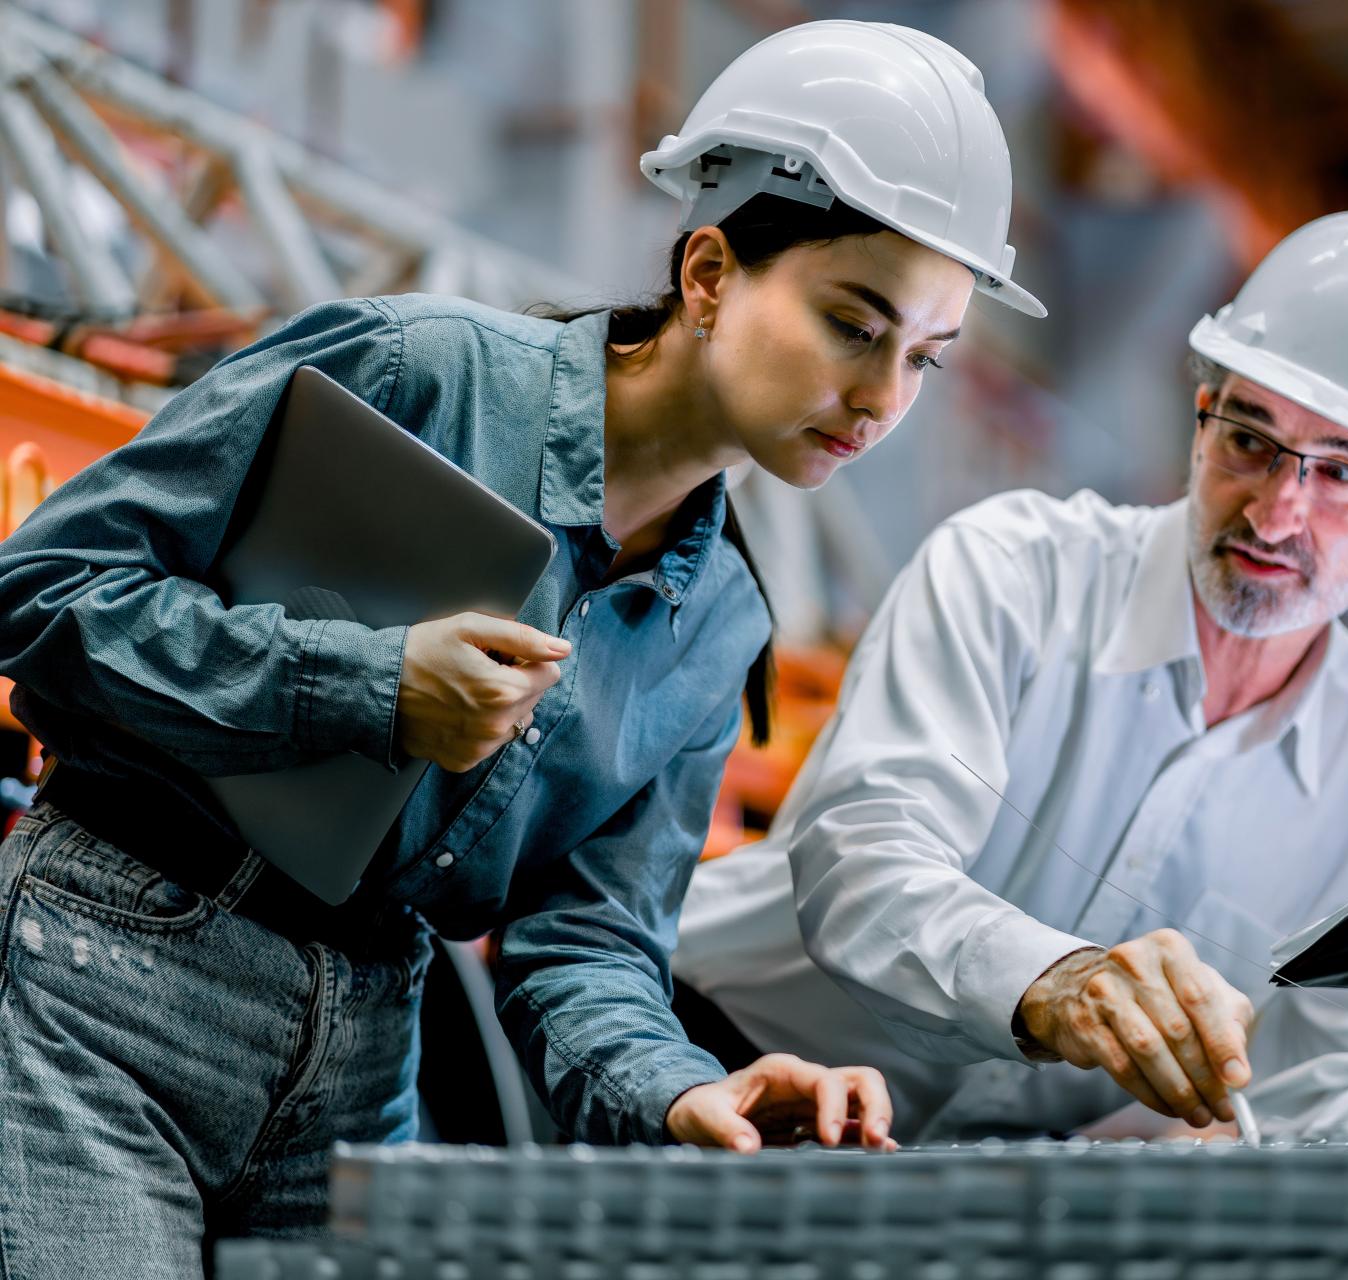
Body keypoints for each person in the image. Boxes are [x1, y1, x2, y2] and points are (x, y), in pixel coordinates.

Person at [0, 19, 1043, 1278]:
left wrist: (680, 1090)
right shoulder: (415, 370)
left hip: (359, 1072)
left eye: (925, 358)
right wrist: (369, 685)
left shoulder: (717, 627)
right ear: (710, 271)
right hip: (108, 989)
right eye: (853, 324)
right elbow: (44, 586)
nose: (883, 401)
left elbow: (587, 943)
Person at [673, 210, 1348, 1142]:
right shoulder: (1014, 575)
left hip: (963, 1175)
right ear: (1200, 420)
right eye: (1250, 440)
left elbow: (1336, 1112)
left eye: (1343, 471)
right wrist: (1058, 980)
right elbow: (861, 861)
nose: (1274, 513)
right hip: (702, 1061)